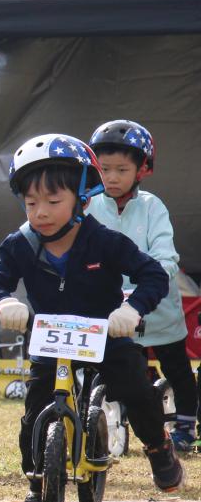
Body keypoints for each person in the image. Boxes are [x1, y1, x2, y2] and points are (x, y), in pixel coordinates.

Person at [0, 134, 184, 502]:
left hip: (105, 334)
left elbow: (153, 274)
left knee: (136, 389)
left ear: (83, 199)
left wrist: (132, 309)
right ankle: (37, 483)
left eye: (53, 202)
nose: (40, 212)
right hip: (49, 339)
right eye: (31, 202)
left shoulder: (104, 241)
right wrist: (4, 302)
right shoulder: (20, 244)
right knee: (35, 410)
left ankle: (159, 447)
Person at [86, 119, 198, 453]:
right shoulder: (89, 206)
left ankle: (186, 425)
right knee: (119, 370)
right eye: (104, 169)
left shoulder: (152, 207)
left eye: (122, 169)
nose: (111, 177)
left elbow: (167, 256)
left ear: (142, 170)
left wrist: (146, 286)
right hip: (112, 313)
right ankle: (113, 418)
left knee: (176, 367)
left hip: (158, 309)